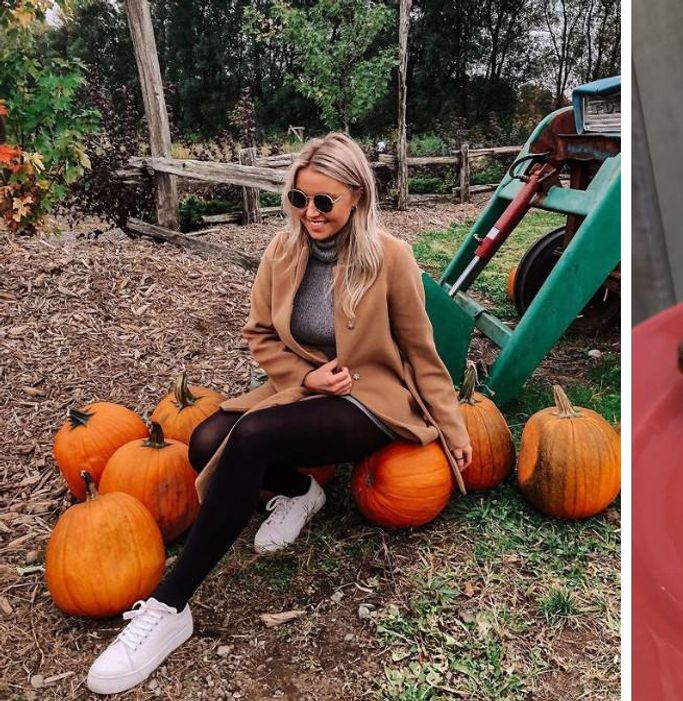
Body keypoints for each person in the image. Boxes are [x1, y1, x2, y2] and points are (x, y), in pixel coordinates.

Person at [85, 133, 472, 695]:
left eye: (323, 202)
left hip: (369, 398)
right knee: (205, 440)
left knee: (251, 437)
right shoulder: (282, 251)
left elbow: (420, 351)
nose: (309, 213)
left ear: (357, 197)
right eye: (298, 199)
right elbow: (261, 335)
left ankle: (171, 606)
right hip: (303, 390)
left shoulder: (389, 256)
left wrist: (453, 426)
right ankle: (299, 493)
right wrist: (303, 377)